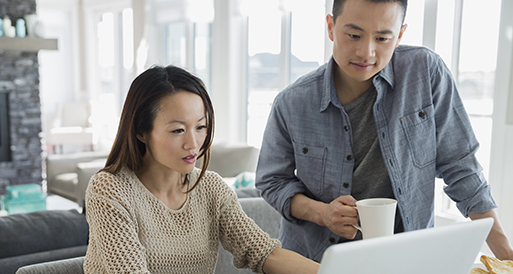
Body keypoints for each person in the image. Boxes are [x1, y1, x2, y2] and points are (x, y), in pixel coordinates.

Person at [255, 0, 513, 262]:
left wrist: (506, 255)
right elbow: (272, 181)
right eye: (354, 35)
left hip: (408, 258)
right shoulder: (292, 102)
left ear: (399, 35)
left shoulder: (425, 72)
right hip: (317, 260)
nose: (366, 52)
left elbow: (461, 167)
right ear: (331, 27)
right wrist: (322, 213)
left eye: (382, 38)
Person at [83, 65, 320, 273]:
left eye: (201, 127)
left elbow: (263, 253)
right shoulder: (109, 190)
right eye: (178, 130)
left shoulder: (211, 188)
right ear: (141, 132)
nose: (193, 144)